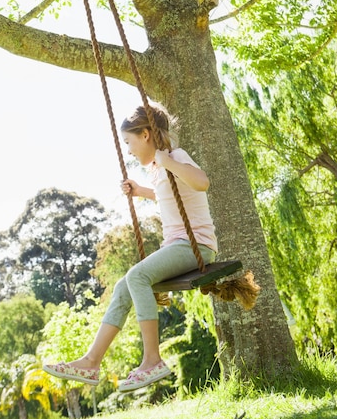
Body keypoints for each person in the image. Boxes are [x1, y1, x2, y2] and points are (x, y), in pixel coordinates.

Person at [43, 104, 218, 392]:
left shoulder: (174, 157)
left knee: (137, 276)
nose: (129, 150)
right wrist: (140, 191)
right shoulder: (158, 168)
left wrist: (168, 161)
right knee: (125, 285)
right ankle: (90, 362)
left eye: (129, 142)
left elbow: (202, 183)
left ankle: (152, 360)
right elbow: (170, 198)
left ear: (146, 134)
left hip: (195, 245)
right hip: (178, 245)